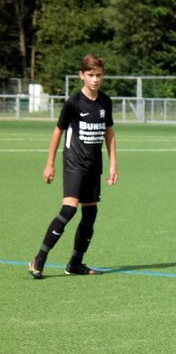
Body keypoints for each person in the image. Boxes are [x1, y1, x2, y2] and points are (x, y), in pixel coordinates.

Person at [28, 54, 118, 279]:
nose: (95, 80)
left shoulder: (105, 101)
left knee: (90, 212)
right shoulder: (74, 102)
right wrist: (49, 164)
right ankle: (39, 259)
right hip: (74, 163)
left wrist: (113, 165)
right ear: (81, 75)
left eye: (99, 75)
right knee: (69, 209)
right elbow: (58, 131)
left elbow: (109, 133)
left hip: (93, 166)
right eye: (91, 75)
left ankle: (75, 264)